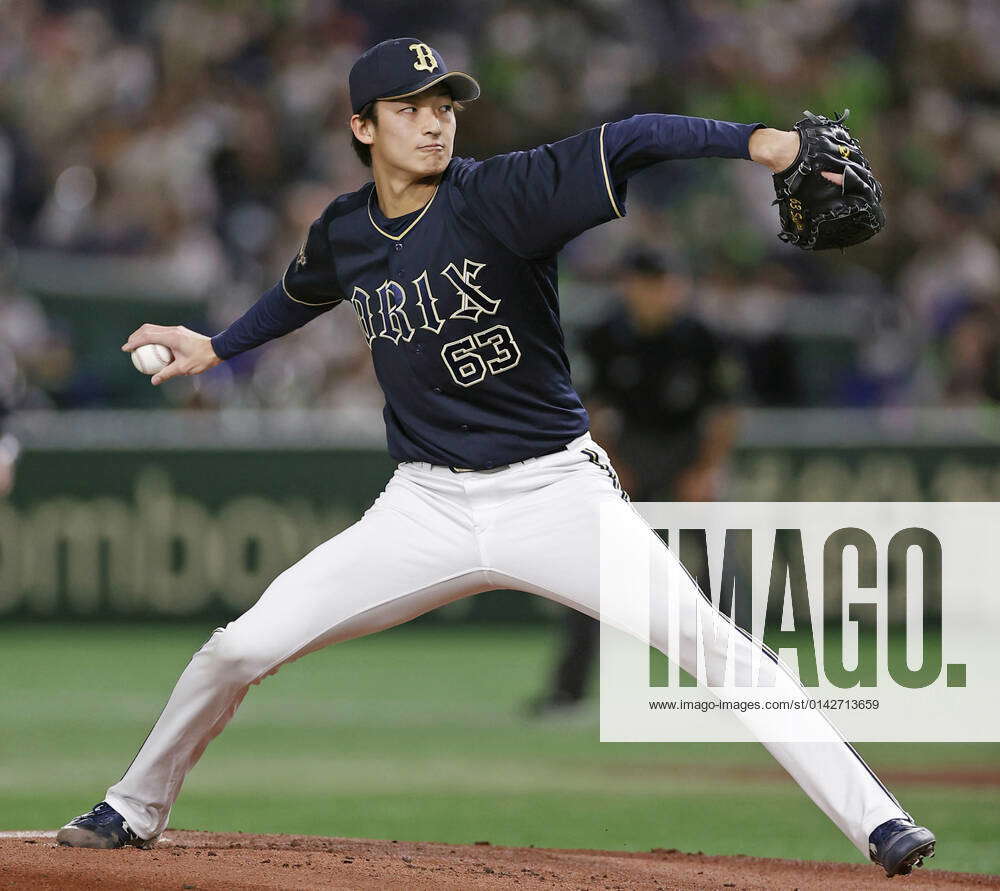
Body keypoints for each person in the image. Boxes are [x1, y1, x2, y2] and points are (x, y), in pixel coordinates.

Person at [57, 38, 935, 878]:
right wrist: (215, 345)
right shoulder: (345, 232)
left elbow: (627, 139)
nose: (435, 122)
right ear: (363, 127)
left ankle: (881, 822)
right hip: (424, 506)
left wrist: (762, 142)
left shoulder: (503, 195)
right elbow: (299, 293)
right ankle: (133, 805)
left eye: (444, 106)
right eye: (410, 108)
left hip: (553, 490)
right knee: (237, 647)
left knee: (712, 644)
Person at [527, 247, 741, 716]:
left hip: (688, 449)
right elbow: (589, 408)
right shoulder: (607, 334)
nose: (660, 293)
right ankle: (569, 690)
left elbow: (724, 413)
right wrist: (609, 463)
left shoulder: (699, 335)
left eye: (665, 283)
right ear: (632, 287)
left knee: (718, 569)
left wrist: (704, 472)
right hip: (630, 448)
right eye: (650, 283)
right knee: (595, 569)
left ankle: (742, 687)